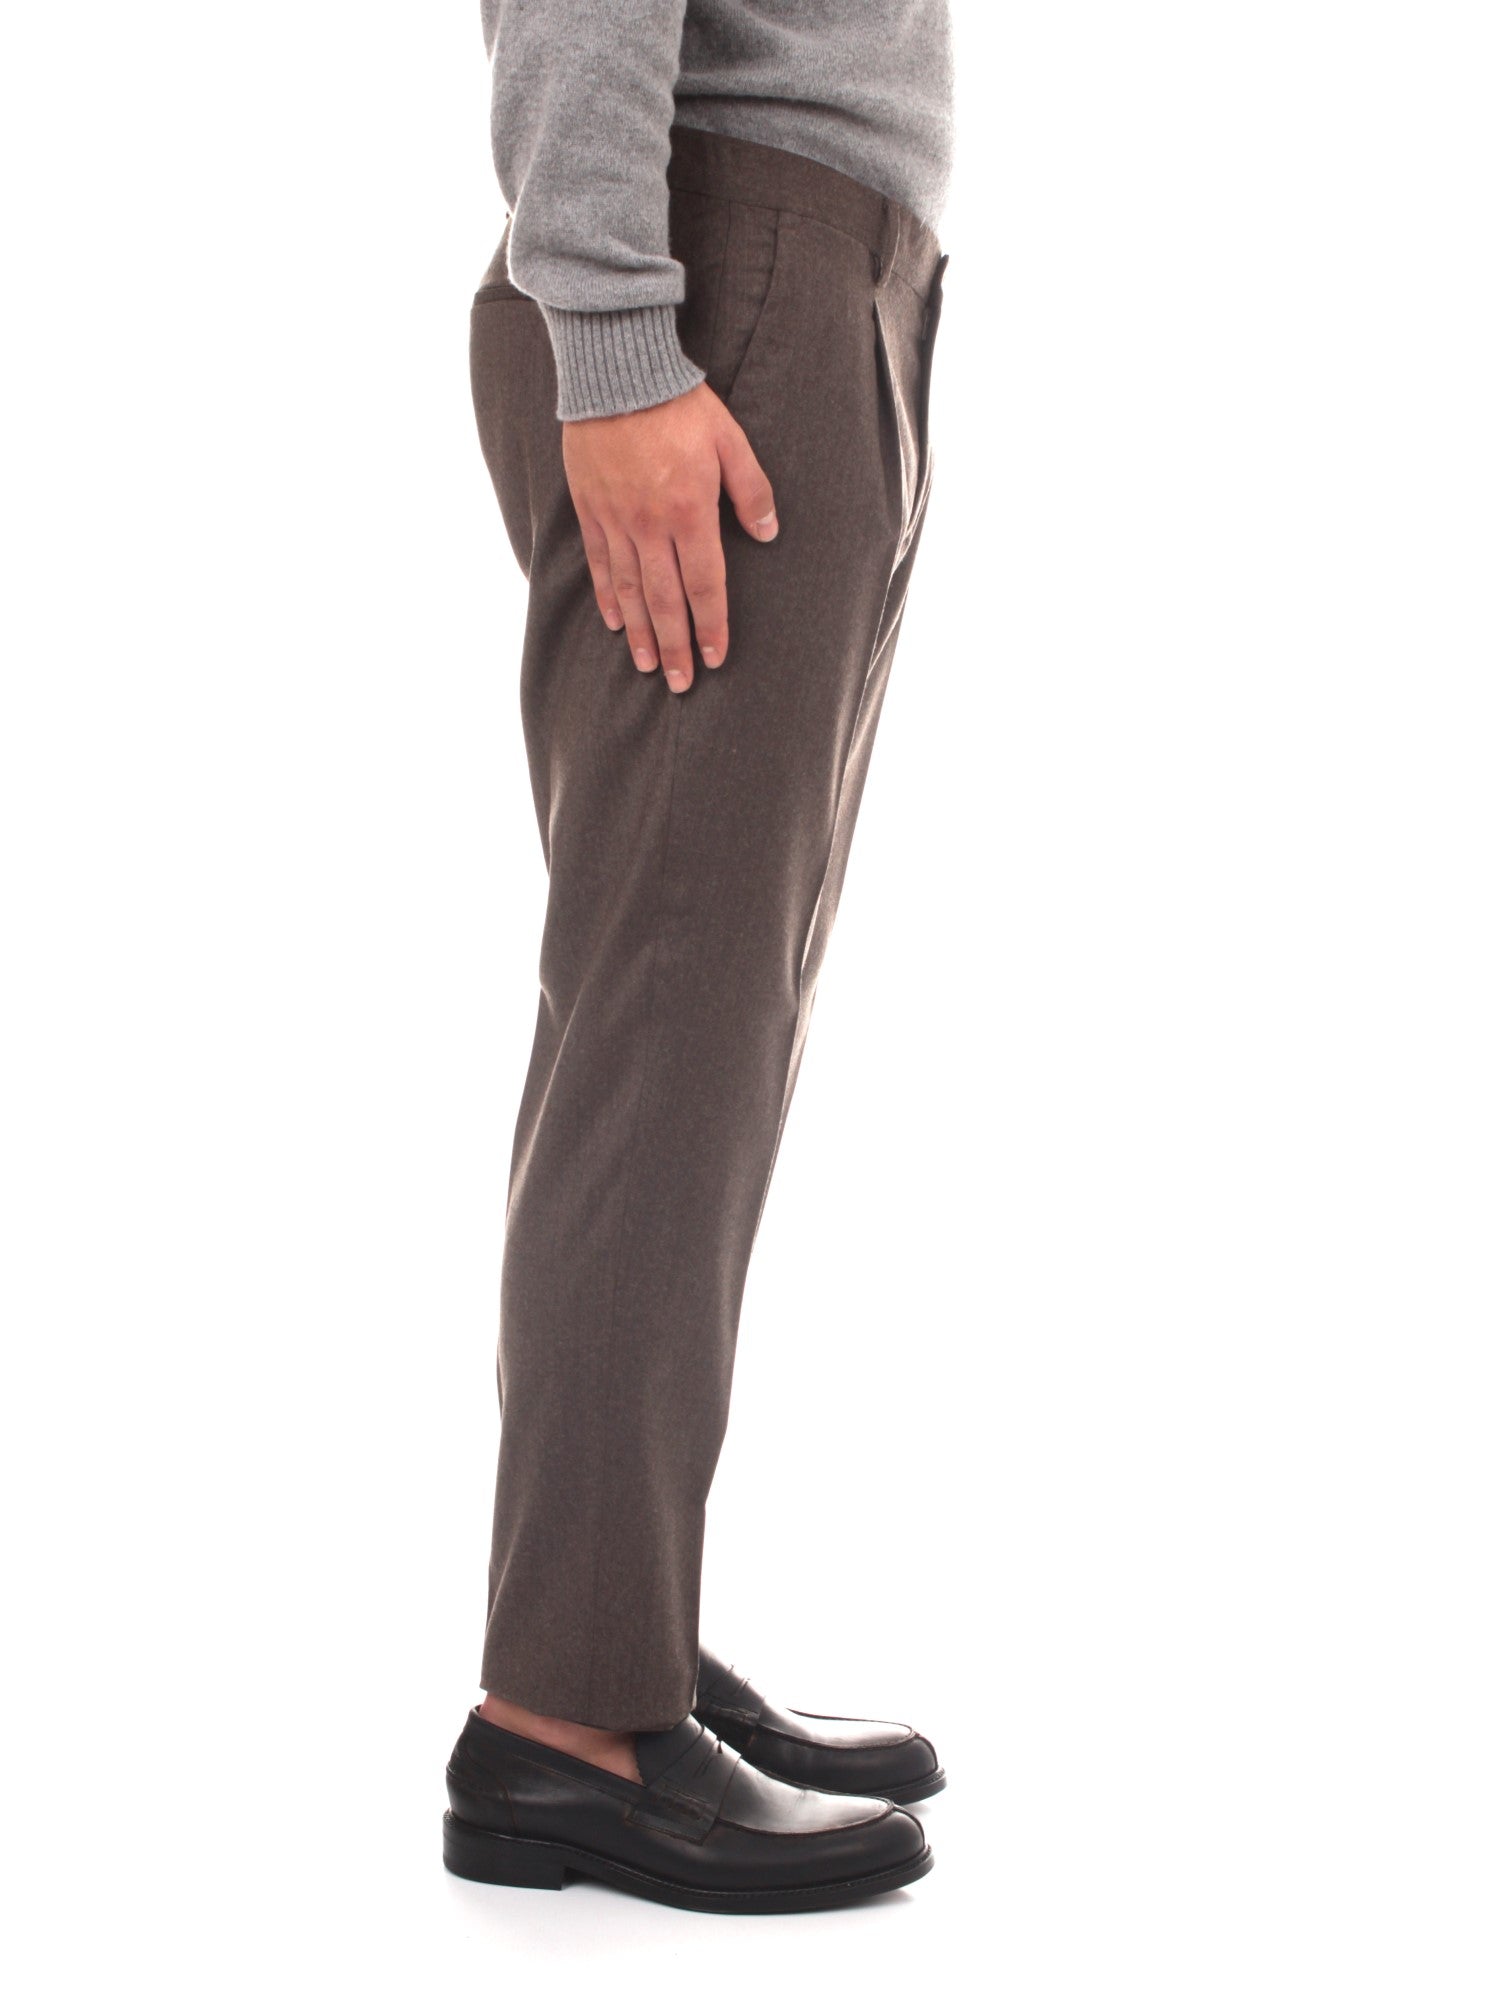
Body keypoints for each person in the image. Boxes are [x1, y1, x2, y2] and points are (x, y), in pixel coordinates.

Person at [444, 1, 955, 1913]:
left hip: (791, 265)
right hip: (712, 278)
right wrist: (610, 330)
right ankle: (567, 1721)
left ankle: (615, 1623)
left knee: (701, 1023)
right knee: (668, 1021)